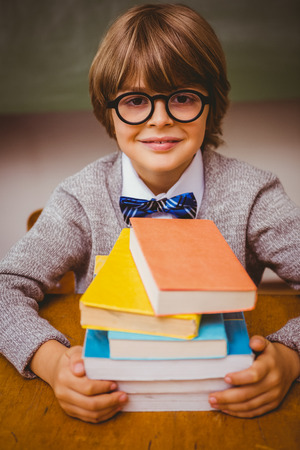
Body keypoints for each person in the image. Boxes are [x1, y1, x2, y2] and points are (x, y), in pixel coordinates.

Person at [0, 3, 299, 424]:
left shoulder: (253, 195)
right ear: (109, 109)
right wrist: (50, 362)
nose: (160, 120)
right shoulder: (81, 197)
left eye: (182, 98)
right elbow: (4, 288)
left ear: (211, 103)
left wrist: (290, 357)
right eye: (136, 101)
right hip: (111, 404)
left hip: (220, 410)